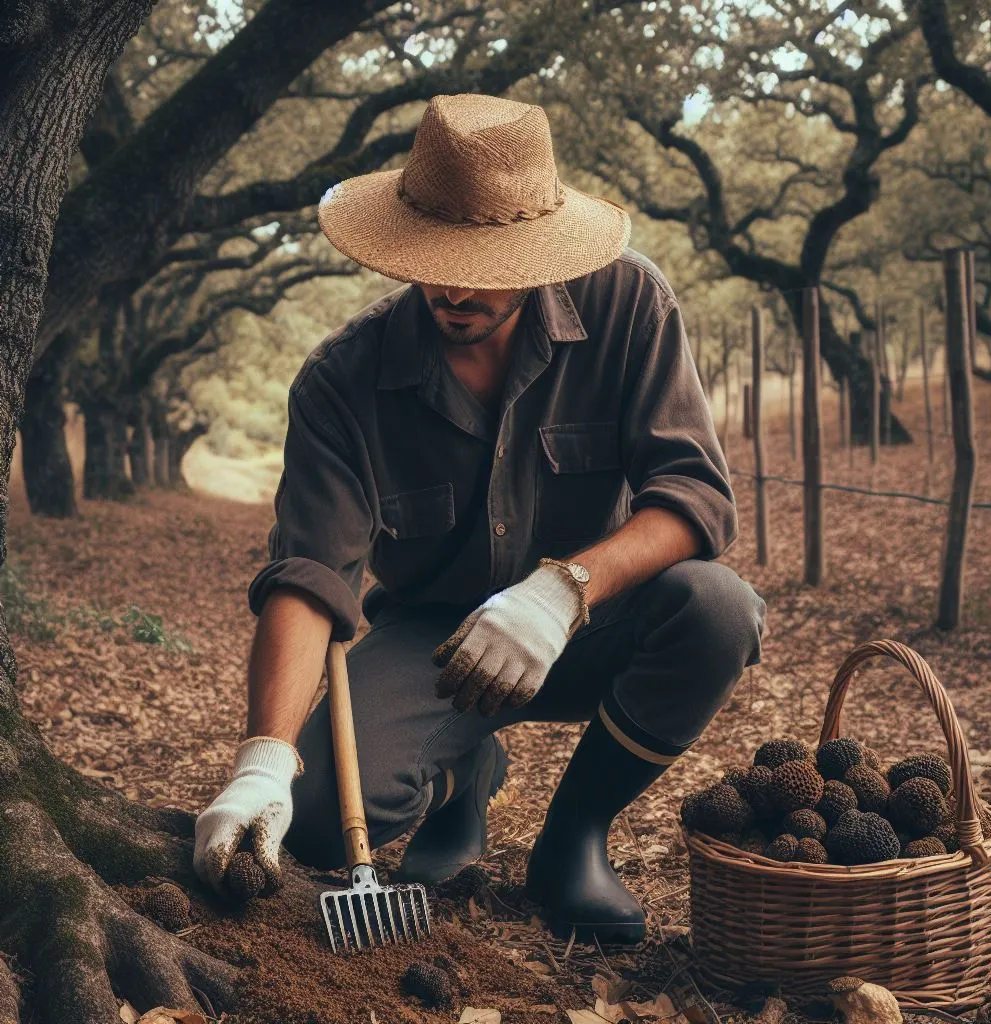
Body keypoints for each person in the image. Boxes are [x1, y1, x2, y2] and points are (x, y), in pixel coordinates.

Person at [193, 92, 766, 945]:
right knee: (315, 823)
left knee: (719, 608)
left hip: (590, 618)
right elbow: (311, 577)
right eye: (433, 257)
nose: (455, 287)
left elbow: (695, 495)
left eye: (486, 261)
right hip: (432, 639)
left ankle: (573, 839)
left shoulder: (628, 306)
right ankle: (464, 774)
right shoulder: (339, 384)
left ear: (538, 253)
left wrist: (563, 589)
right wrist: (264, 760)